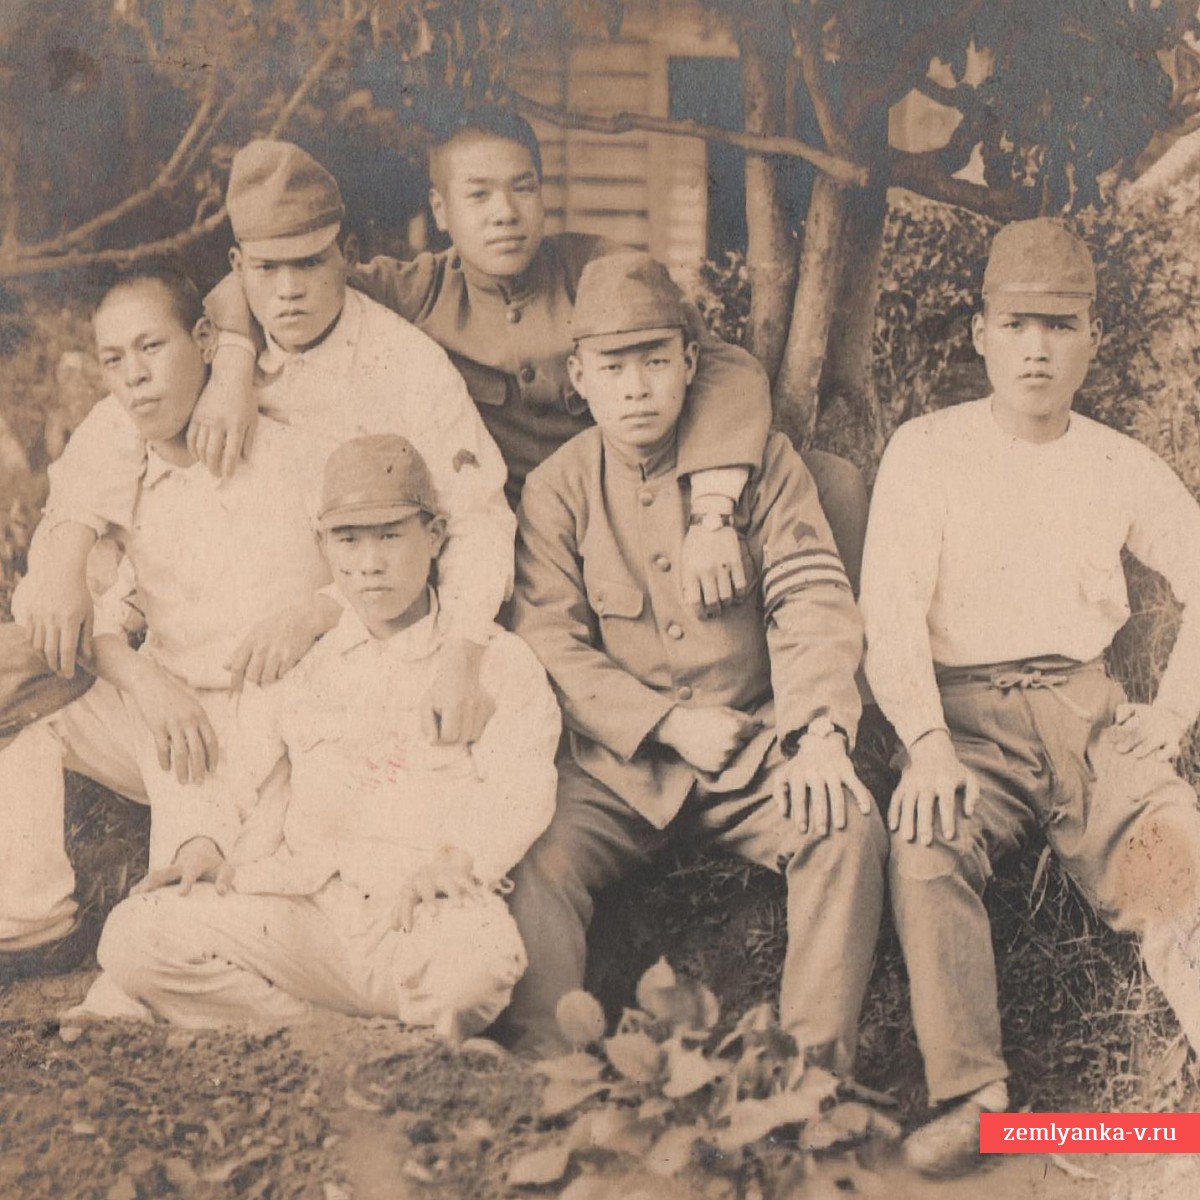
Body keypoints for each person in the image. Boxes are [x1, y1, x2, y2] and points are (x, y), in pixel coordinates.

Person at [198, 108, 867, 607]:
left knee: (832, 483)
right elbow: (263, 270)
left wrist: (713, 507)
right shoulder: (415, 290)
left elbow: (721, 367)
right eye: (479, 195)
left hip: (642, 498)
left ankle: (856, 707)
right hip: (522, 536)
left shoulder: (599, 269)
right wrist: (231, 365)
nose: (505, 214)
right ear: (441, 208)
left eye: (523, 189)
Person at [860, 218, 1200, 1177]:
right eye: (1017, 325)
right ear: (981, 334)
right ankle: (976, 1098)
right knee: (925, 845)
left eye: (1061, 325)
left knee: (1178, 853)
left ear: (1094, 336)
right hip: (965, 724)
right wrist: (923, 742)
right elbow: (888, 608)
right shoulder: (925, 452)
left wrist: (1173, 712)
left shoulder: (1117, 461)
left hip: (1087, 721)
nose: (1038, 349)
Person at [505, 251, 887, 1063]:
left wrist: (819, 733)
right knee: (535, 853)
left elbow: (812, 593)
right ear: (580, 375)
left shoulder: (759, 467)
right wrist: (667, 724)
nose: (636, 387)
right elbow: (551, 642)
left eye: (654, 361)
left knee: (844, 824)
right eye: (614, 366)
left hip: (756, 748)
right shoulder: (557, 490)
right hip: (622, 767)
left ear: (689, 362)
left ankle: (809, 1072)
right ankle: (543, 1069)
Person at [15, 138, 515, 744]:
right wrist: (65, 557)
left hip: (337, 630)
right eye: (266, 268)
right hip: (190, 625)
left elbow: (478, 518)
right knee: (29, 661)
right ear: (237, 266)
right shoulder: (215, 342)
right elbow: (119, 422)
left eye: (309, 263)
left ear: (346, 256)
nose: (289, 291)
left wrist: (457, 656)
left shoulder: (405, 366)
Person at [95, 434, 560, 1040]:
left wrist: (460, 860)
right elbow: (239, 778)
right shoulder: (301, 658)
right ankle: (317, 1035)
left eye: (391, 535)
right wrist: (204, 845)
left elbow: (523, 788)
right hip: (304, 910)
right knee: (133, 936)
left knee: (478, 965)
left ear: (436, 535)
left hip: (420, 911)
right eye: (348, 539)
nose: (369, 563)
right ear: (322, 543)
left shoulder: (492, 662)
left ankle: (396, 1036)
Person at [0, 262, 336, 960]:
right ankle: (32, 923)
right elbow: (94, 608)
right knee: (24, 690)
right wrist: (143, 679)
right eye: (113, 359)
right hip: (168, 716)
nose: (134, 376)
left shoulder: (290, 453)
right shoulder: (125, 460)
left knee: (202, 924)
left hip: (271, 729)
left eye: (153, 348)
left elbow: (369, 585)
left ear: (207, 341)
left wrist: (315, 613)